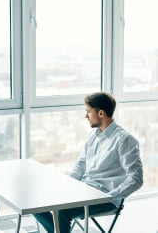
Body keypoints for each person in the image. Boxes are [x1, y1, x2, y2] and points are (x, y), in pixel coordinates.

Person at [34, 92, 143, 233]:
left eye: (88, 112)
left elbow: (136, 180)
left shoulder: (125, 140)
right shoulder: (93, 134)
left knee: (62, 211)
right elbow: (82, 163)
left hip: (106, 198)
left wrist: (108, 195)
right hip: (85, 190)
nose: (86, 116)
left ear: (101, 113)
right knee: (36, 202)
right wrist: (69, 184)